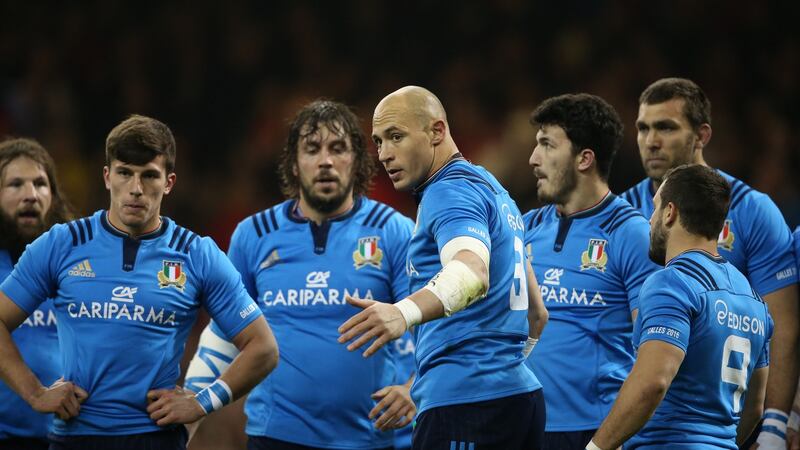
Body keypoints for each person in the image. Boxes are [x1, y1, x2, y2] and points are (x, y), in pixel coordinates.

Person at [0, 115, 278, 450]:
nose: (136, 188)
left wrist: (203, 401)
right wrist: (34, 392)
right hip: (76, 436)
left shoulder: (197, 254)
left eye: (149, 175)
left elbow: (263, 347)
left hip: (155, 438)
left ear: (169, 182)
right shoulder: (62, 244)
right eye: (125, 173)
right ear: (107, 177)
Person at [183, 100, 416, 450]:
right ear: (294, 163)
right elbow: (224, 335)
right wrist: (192, 407)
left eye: (338, 149)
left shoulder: (395, 231)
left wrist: (416, 389)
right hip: (276, 436)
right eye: (312, 149)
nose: (325, 161)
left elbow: (434, 324)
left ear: (358, 161)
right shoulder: (253, 236)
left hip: (372, 438)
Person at [339, 86, 548, 449]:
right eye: (378, 141)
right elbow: (537, 313)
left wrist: (401, 313)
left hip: (465, 405)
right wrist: (503, 373)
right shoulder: (496, 192)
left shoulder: (447, 192)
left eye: (396, 136)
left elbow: (471, 272)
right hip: (521, 399)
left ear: (437, 131)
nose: (384, 154)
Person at [621, 78, 798, 449]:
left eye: (666, 127)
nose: (651, 140)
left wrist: (775, 424)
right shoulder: (621, 216)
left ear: (701, 135)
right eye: (642, 128)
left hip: (721, 420)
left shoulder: (752, 211)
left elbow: (781, 323)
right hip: (632, 419)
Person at [590, 164, 772, 449]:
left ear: (670, 212)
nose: (649, 220)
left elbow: (653, 383)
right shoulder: (755, 301)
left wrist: (597, 447)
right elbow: (755, 407)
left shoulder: (671, 283)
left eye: (654, 209)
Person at [523, 94, 660, 449]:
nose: (533, 159)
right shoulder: (525, 229)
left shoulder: (630, 233)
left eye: (547, 145)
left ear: (585, 159)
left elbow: (655, 353)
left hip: (593, 431)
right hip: (523, 425)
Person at [0, 138, 74, 450]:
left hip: (70, 437)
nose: (30, 195)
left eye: (40, 184)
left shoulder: (79, 265)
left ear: (54, 197)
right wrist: (35, 393)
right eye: (15, 184)